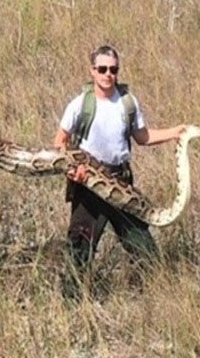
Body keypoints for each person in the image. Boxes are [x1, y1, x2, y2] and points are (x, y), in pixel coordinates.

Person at [53, 45, 186, 299]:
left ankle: (157, 298)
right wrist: (73, 170)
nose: (108, 74)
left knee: (142, 245)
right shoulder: (80, 104)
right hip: (89, 183)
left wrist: (175, 132)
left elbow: (143, 137)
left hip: (121, 182)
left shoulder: (127, 102)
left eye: (113, 70)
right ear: (92, 71)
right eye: (102, 69)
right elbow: (59, 142)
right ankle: (72, 305)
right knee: (80, 246)